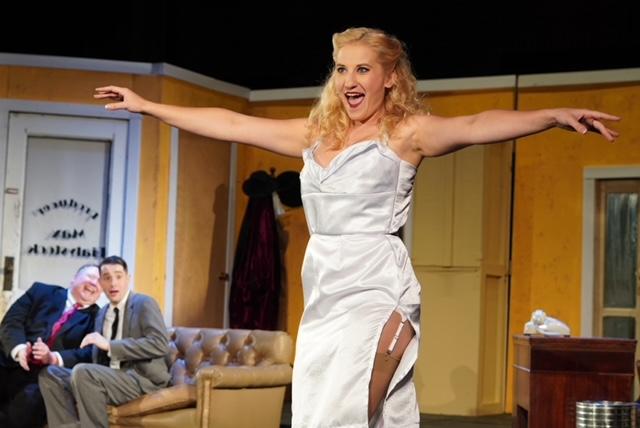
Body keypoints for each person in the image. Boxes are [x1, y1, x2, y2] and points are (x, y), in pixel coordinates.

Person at [93, 27, 619, 427]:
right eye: (342, 69)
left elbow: (475, 125)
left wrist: (550, 115)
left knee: (346, 410)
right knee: (322, 410)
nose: (349, 81)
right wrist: (147, 106)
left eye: (363, 69)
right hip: (324, 288)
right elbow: (232, 123)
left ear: (389, 77)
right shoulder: (315, 135)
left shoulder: (405, 134)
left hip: (376, 284)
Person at [39, 255, 170, 428]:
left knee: (84, 373)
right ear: (101, 283)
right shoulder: (102, 313)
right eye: (107, 278)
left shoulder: (144, 303)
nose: (113, 283)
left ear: (128, 279)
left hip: (141, 379)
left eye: (118, 276)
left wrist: (109, 346)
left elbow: (160, 343)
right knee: (50, 374)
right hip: (110, 377)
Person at [0, 264, 101, 428]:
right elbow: (11, 322)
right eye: (90, 276)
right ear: (73, 279)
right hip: (11, 362)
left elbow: (90, 353)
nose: (95, 283)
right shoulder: (41, 291)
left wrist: (52, 357)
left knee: (28, 404)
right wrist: (20, 349)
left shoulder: (98, 317)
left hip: (45, 377)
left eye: (100, 281)